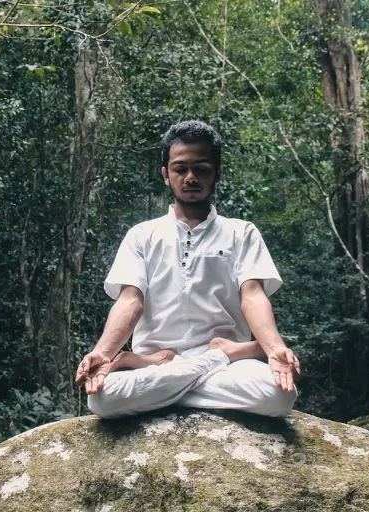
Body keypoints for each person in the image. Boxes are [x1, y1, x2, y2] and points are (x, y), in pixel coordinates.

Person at [73, 120, 301, 419]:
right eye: (181, 169)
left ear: (216, 172)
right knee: (102, 399)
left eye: (201, 169)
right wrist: (103, 353)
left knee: (277, 397)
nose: (191, 177)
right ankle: (204, 365)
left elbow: (253, 296)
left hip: (228, 364)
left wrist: (273, 350)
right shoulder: (142, 235)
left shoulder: (241, 232)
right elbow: (130, 301)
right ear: (166, 175)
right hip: (159, 361)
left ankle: (198, 369)